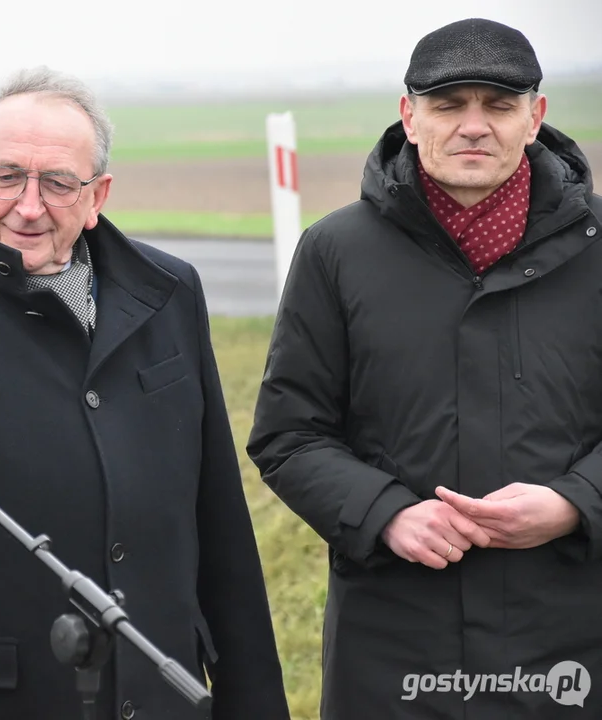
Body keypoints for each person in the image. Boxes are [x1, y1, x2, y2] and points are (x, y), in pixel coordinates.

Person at [0, 66, 290, 720]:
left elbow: (217, 524)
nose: (28, 205)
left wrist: (254, 702)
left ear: (97, 193)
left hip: (161, 696)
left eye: (57, 182)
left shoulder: (169, 294)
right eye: (6, 175)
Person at [247, 16, 602, 720]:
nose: (474, 126)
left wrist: (574, 503)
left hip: (569, 640)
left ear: (534, 118)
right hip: (393, 644)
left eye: (497, 106)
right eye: (448, 105)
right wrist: (386, 515)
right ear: (409, 116)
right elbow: (288, 435)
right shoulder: (334, 252)